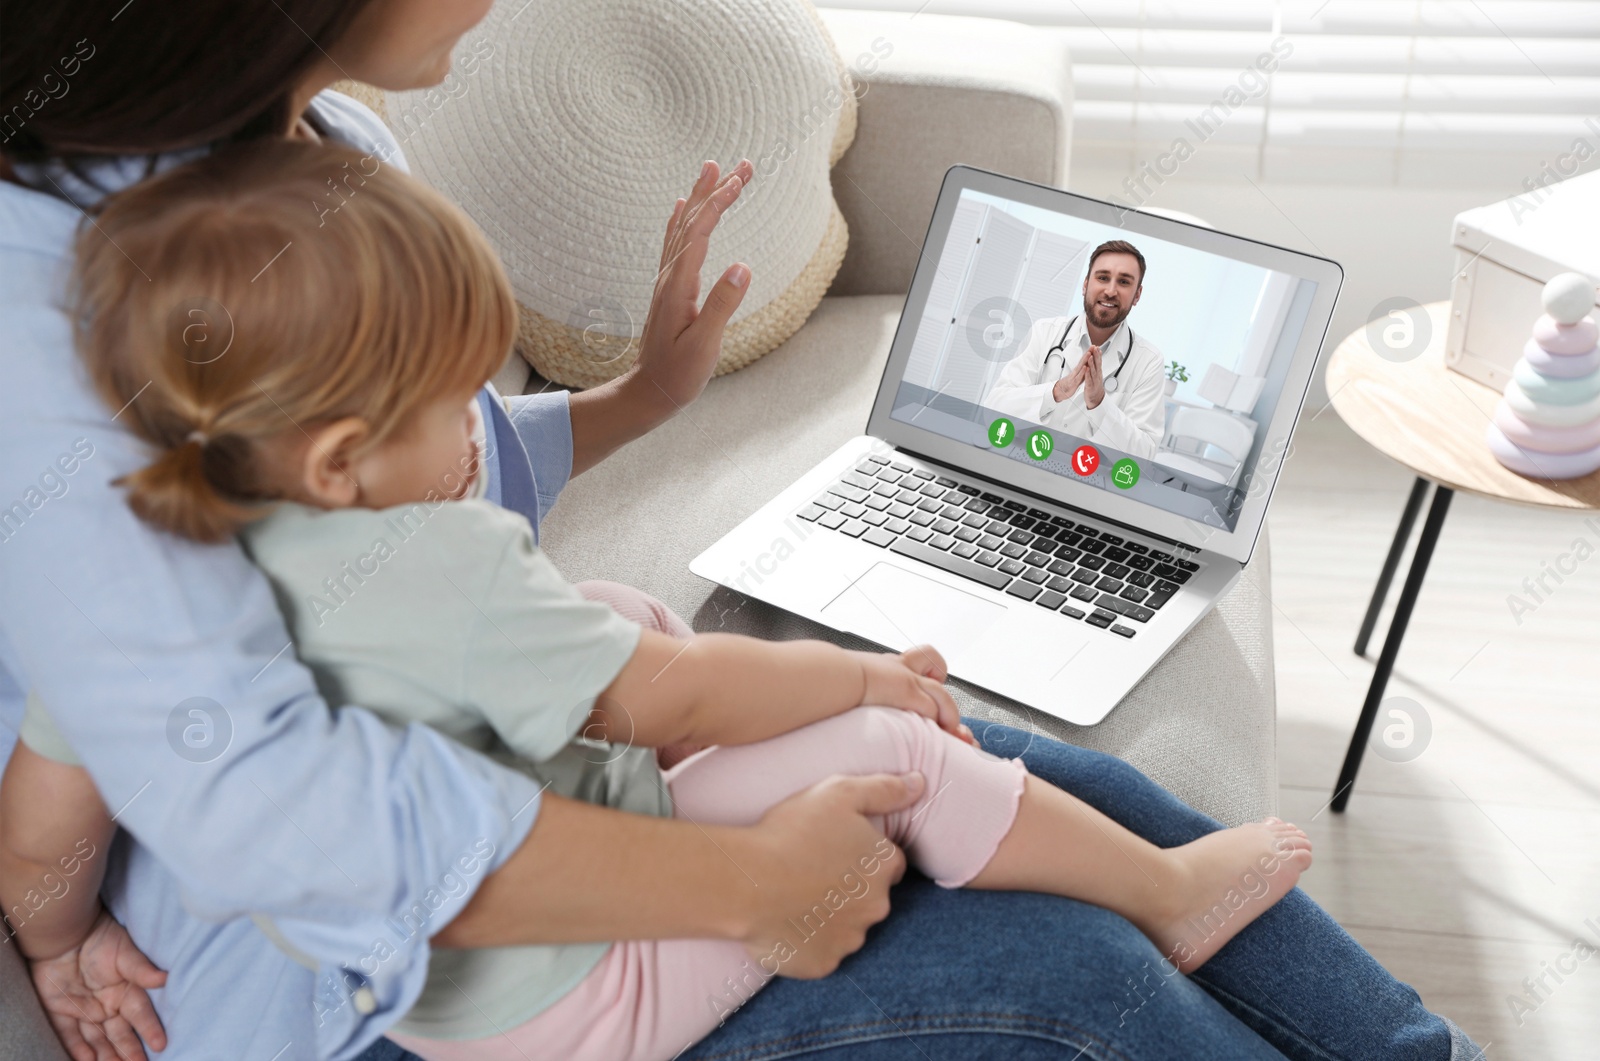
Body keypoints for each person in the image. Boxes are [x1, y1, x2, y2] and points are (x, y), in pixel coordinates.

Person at [0, 4, 1481, 1060]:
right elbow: (291, 806)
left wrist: (641, 400)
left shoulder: (308, 140)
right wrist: (753, 883)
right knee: (1072, 968)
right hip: (382, 987)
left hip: (522, 768)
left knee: (1068, 780)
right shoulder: (52, 310)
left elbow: (406, 501)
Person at [986, 240, 1168, 458]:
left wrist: (1099, 403)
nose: (1110, 291)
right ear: (1085, 284)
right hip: (1020, 461)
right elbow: (992, 412)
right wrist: (1055, 392)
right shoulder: (1045, 332)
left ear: (1137, 295)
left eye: (1123, 282)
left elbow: (1143, 456)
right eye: (1102, 278)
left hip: (1088, 481)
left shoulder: (1149, 362)